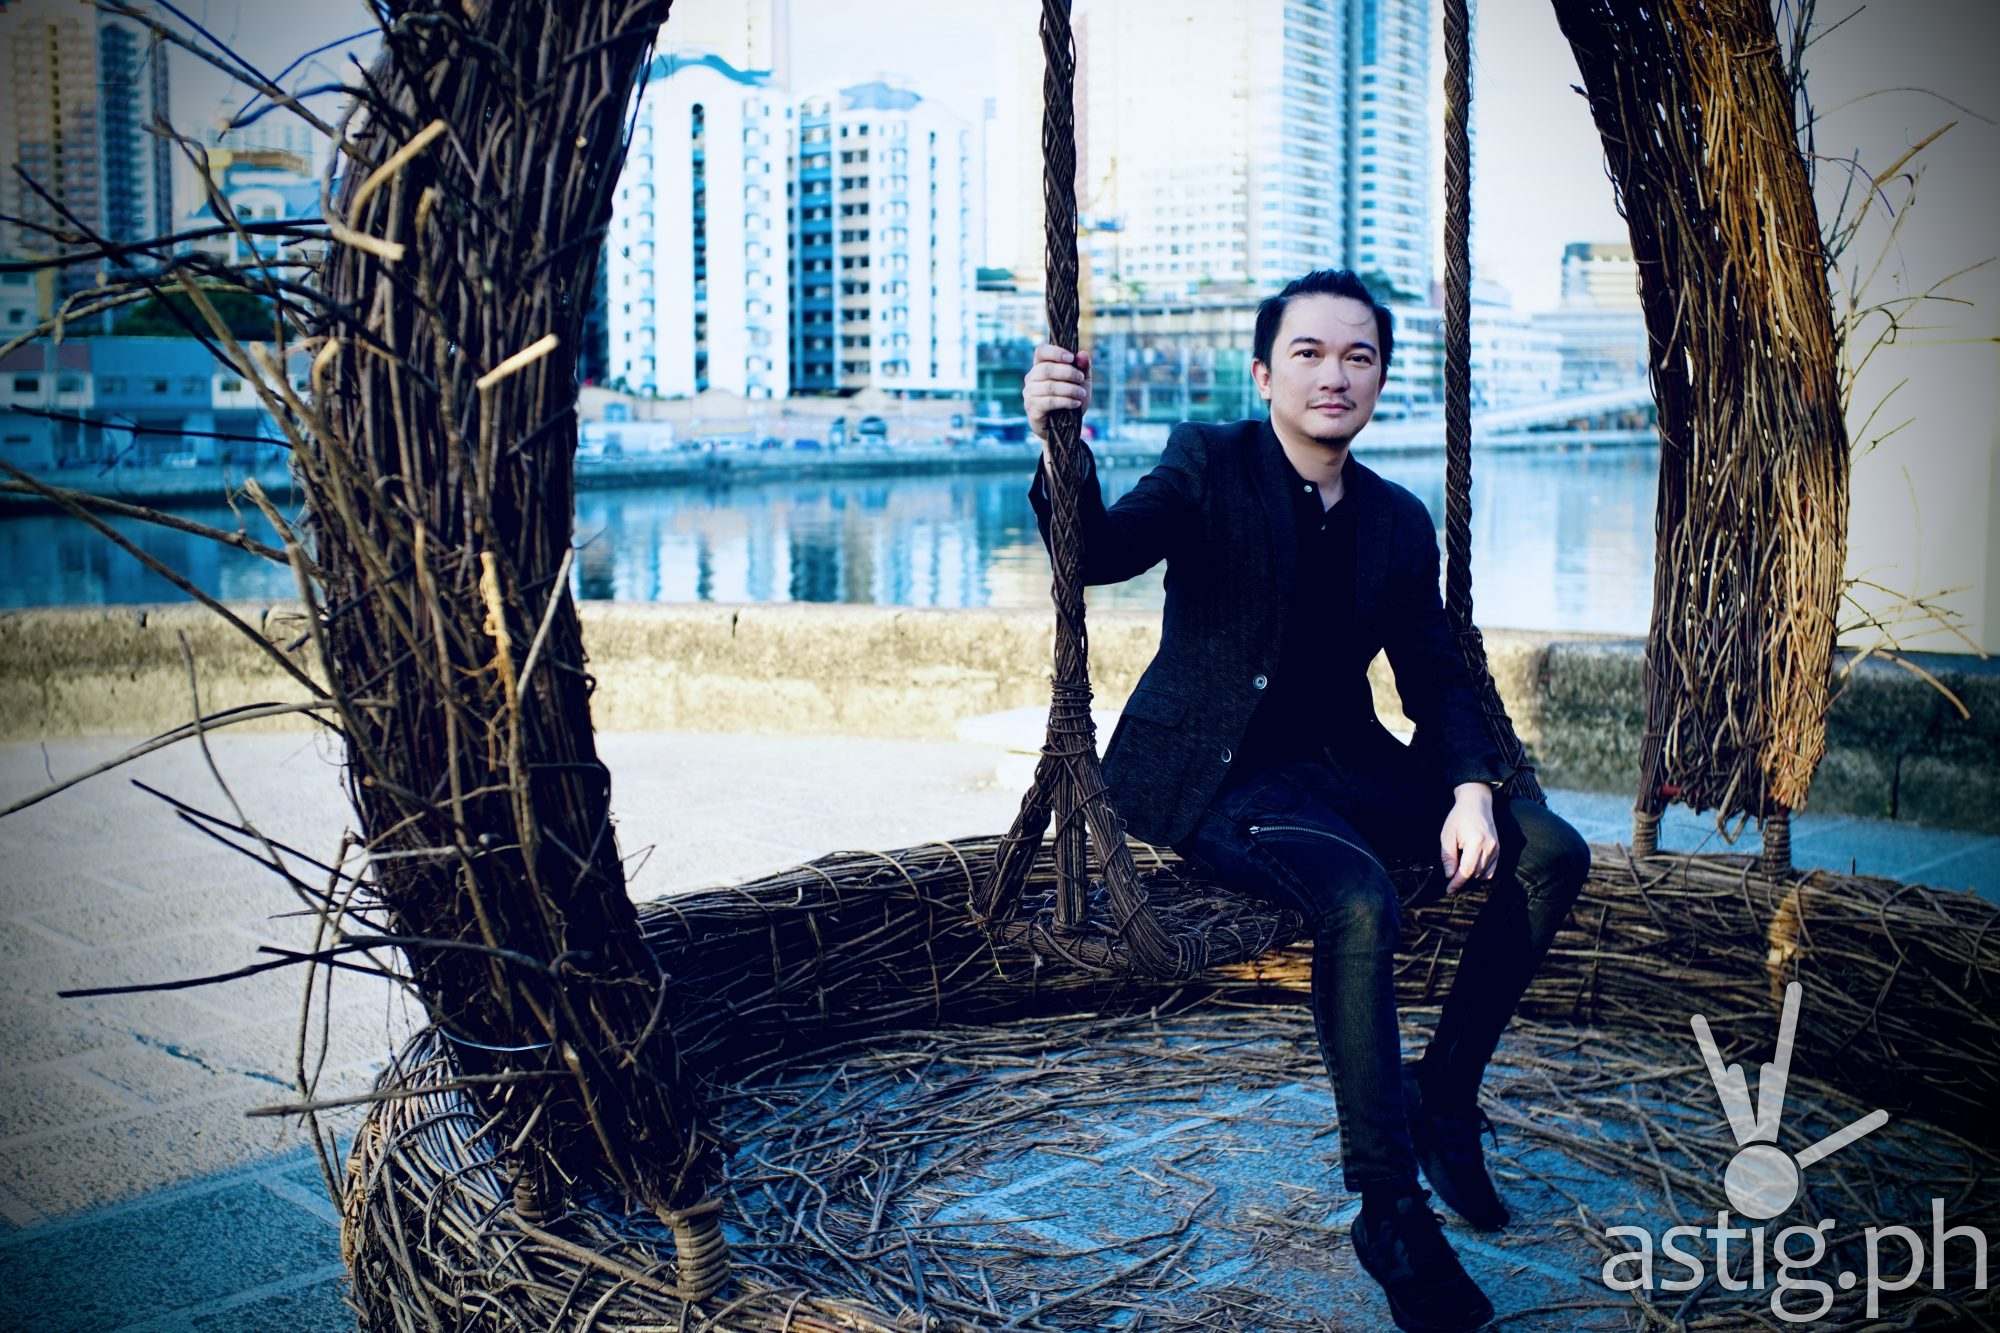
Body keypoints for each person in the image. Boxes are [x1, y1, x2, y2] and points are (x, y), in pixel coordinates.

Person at [1022, 269, 1590, 1333]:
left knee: (1551, 849)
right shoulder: (1208, 461)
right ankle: (1388, 1209)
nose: (1335, 375)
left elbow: (1436, 677)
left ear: (1379, 376)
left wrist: (1471, 789)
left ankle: (1442, 1095)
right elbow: (1094, 552)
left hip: (1345, 766)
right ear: (1263, 373)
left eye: (1358, 356)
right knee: (1357, 897)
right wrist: (1059, 443)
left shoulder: (1395, 520)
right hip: (1218, 774)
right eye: (1309, 353)